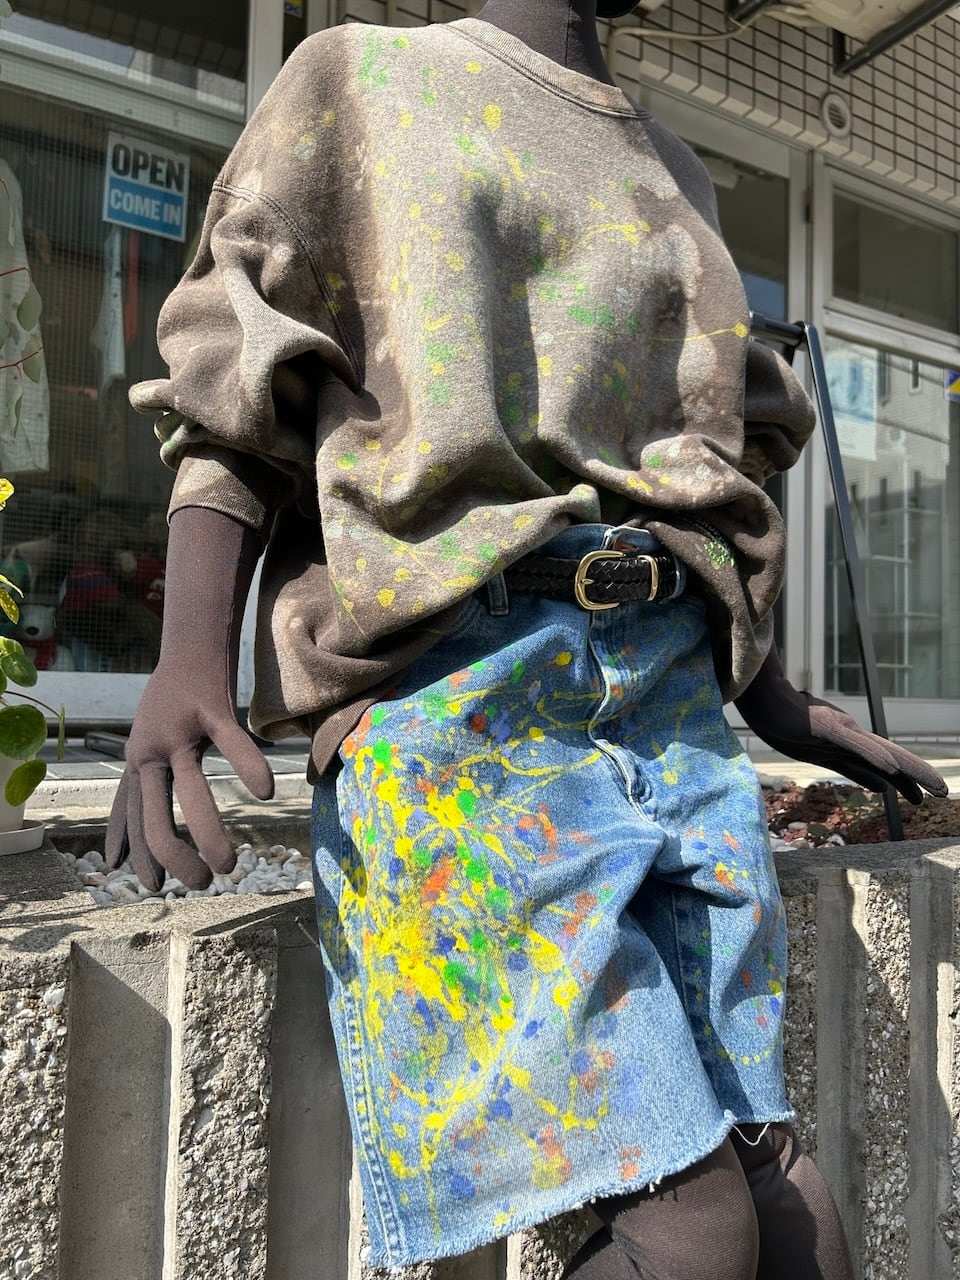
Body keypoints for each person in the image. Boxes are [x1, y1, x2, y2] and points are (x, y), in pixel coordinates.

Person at [105, 2, 947, 1275]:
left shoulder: (678, 170)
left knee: (787, 1201)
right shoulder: (362, 80)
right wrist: (186, 660)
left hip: (671, 698)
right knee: (699, 1227)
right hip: (460, 695)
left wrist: (772, 693)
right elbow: (241, 364)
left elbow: (711, 463)